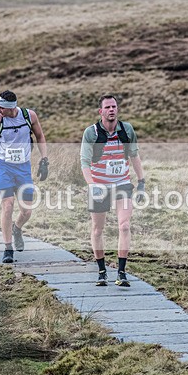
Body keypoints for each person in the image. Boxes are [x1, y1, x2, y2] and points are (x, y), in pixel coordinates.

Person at [80, 94, 145, 287]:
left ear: (117, 109)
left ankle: (121, 272)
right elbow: (84, 162)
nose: (111, 110)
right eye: (107, 107)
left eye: (114, 107)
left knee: (124, 225)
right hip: (99, 185)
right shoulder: (91, 133)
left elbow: (134, 155)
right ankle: (101, 271)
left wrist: (141, 181)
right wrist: (92, 185)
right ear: (100, 111)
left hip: (122, 184)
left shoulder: (126, 130)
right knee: (97, 229)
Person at [0, 90, 49, 264]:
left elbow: (40, 136)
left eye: (1, 107)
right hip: (4, 167)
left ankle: (16, 228)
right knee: (8, 205)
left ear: (10, 108)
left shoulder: (28, 116)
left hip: (23, 168)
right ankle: (8, 248)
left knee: (26, 211)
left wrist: (44, 160)